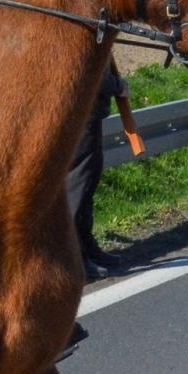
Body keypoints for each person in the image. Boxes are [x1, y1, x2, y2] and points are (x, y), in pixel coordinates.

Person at [68, 66, 127, 281]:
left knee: (88, 183)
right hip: (82, 113)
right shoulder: (91, 33)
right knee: (78, 186)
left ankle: (87, 246)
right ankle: (75, 258)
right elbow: (91, 70)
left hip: (87, 114)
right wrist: (118, 86)